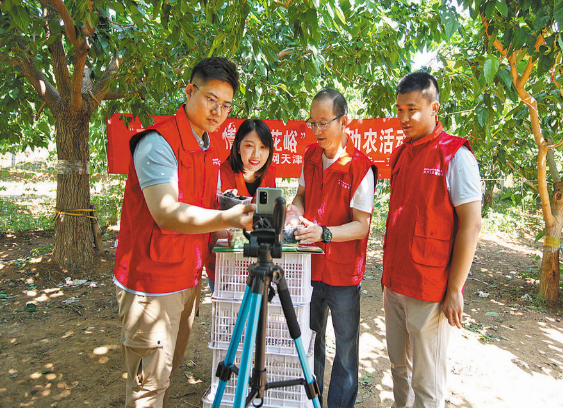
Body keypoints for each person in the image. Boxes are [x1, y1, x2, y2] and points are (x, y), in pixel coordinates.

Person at [113, 57, 255, 407]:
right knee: (148, 388)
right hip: (152, 286)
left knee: (164, 374)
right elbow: (167, 214)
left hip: (186, 280)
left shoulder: (208, 146)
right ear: (189, 90)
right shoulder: (157, 143)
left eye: (225, 105)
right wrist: (233, 218)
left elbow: (205, 208)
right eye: (210, 99)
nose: (218, 111)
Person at [382, 71, 482, 408]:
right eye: (399, 110)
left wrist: (455, 289)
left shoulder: (455, 155)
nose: (404, 118)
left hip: (429, 287)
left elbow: (471, 225)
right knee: (399, 367)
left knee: (427, 381)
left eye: (412, 109)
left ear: (433, 108)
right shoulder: (401, 154)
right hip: (394, 283)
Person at [286, 88, 377, 408]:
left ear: (344, 121)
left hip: (341, 273)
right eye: (313, 123)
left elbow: (361, 225)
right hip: (309, 268)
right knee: (309, 342)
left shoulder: (360, 167)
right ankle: (309, 402)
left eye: (325, 123)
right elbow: (300, 195)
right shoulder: (311, 155)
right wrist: (295, 210)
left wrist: (323, 233)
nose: (318, 131)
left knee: (346, 347)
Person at [206, 119, 276, 291]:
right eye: (249, 146)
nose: (256, 155)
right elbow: (211, 222)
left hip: (258, 264)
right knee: (228, 316)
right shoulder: (220, 173)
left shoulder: (270, 174)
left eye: (263, 147)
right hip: (223, 264)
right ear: (237, 146)